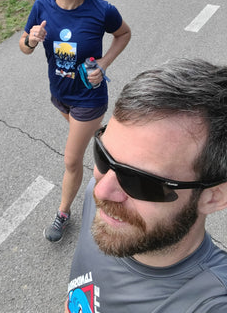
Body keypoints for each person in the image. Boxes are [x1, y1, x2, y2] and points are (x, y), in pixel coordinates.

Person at [66, 58, 227, 312]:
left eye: (139, 181)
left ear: (214, 197)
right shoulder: (104, 201)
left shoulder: (210, 301)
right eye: (103, 156)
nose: (102, 191)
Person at [19, 0, 131, 242]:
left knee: (72, 160)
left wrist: (104, 65)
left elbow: (123, 33)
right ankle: (113, 153)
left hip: (89, 98)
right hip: (60, 96)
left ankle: (63, 213)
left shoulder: (100, 10)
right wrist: (31, 39)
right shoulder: (42, 6)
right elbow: (25, 48)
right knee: (93, 143)